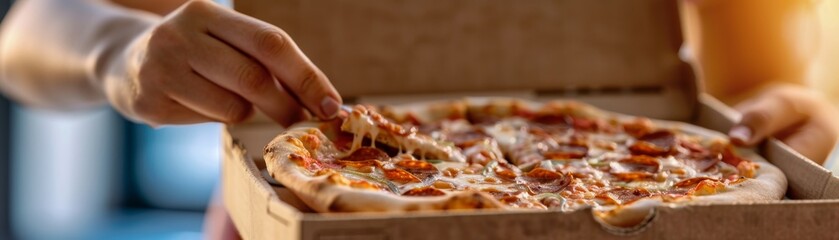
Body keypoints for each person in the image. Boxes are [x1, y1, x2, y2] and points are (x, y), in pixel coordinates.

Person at [0, 0, 836, 239]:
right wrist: (119, 52)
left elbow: (762, 89)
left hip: (641, 182)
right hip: (306, 201)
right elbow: (26, 34)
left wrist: (787, 117)